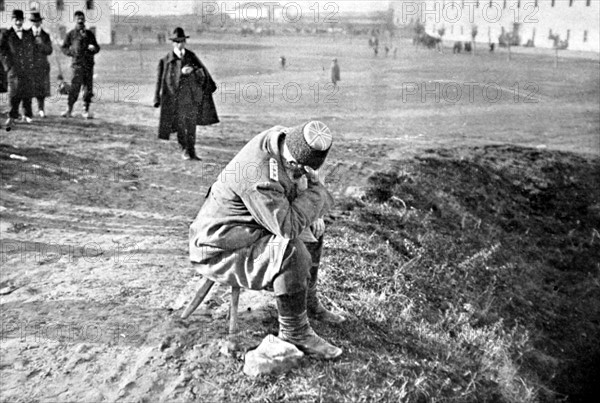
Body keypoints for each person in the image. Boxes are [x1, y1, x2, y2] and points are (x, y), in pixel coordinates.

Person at [189, 121, 345, 359]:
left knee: (314, 230)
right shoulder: (260, 174)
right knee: (290, 250)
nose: (303, 176)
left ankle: (308, 302)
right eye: (302, 171)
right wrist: (316, 193)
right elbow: (287, 227)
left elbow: (295, 191)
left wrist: (311, 207)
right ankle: (294, 333)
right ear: (294, 162)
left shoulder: (282, 140)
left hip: (249, 228)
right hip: (220, 246)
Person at [154, 27, 219, 161]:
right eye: (177, 41)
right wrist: (157, 97)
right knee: (180, 126)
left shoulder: (191, 56)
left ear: (185, 42)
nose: (180, 44)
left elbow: (202, 71)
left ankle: (192, 150)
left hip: (191, 98)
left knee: (191, 125)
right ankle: (184, 148)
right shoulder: (166, 60)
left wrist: (193, 71)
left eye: (182, 41)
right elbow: (160, 80)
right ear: (173, 43)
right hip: (175, 99)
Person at [60, 10, 100, 119]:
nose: (80, 21)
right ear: (75, 20)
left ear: (84, 20)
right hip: (76, 65)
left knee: (88, 89)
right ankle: (69, 109)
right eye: (78, 19)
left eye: (82, 19)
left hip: (88, 65)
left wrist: (93, 49)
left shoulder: (90, 34)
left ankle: (85, 110)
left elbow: (97, 47)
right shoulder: (71, 34)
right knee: (74, 88)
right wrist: (71, 52)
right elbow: (63, 48)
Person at [0, 9, 35, 126]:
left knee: (27, 92)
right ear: (12, 20)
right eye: (16, 20)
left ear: (23, 20)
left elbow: (32, 50)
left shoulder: (27, 34)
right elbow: (2, 51)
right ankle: (12, 115)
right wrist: (8, 65)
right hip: (13, 68)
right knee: (14, 92)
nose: (18, 22)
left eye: (20, 20)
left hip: (26, 68)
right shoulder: (6, 34)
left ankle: (27, 114)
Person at [29, 11, 53, 118]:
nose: (36, 23)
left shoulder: (45, 35)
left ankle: (41, 109)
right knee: (28, 89)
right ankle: (27, 111)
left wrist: (42, 44)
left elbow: (49, 50)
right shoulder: (26, 34)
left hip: (42, 66)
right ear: (32, 22)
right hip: (29, 66)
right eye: (34, 21)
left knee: (41, 89)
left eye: (38, 21)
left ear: (41, 22)